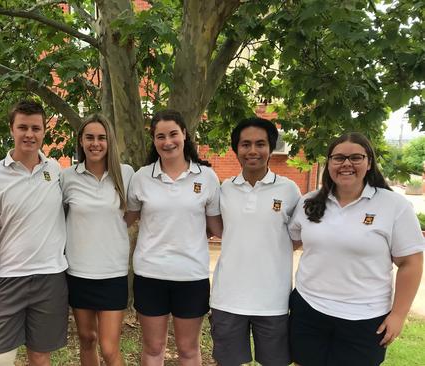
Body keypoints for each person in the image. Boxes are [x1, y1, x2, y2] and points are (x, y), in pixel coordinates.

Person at [288, 132, 425, 366]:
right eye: (338, 158)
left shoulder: (394, 206)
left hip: (365, 317)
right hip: (308, 309)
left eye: (356, 157)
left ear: (369, 162)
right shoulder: (308, 202)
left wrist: (398, 315)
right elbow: (289, 242)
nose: (346, 164)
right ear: (329, 163)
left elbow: (411, 263)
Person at [0, 100, 68, 366]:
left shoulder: (56, 171)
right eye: (23, 127)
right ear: (11, 129)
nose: (29, 134)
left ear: (44, 131)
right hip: (9, 277)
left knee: (40, 356)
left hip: (50, 276)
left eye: (36, 128)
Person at [125, 109, 222, 366]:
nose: (168, 142)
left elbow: (216, 227)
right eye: (160, 136)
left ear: (184, 135)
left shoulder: (207, 177)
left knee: (188, 350)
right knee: (153, 348)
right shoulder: (141, 178)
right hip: (150, 275)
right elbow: (127, 219)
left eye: (173, 134)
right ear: (154, 141)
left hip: (191, 276)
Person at [209, 117, 301, 366]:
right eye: (245, 144)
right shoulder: (224, 189)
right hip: (227, 298)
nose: (252, 151)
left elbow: (298, 237)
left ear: (270, 148)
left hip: (273, 300)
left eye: (260, 144)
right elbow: (218, 229)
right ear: (236, 149)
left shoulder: (289, 190)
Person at [60, 114, 134, 366]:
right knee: (87, 339)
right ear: (80, 141)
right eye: (89, 137)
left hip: (113, 273)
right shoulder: (67, 177)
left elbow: (136, 215)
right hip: (79, 272)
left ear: (109, 141)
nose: (95, 143)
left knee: (110, 348)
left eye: (101, 138)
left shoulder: (126, 174)